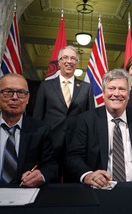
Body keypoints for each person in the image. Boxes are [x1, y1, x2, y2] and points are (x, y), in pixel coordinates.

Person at [65, 69, 132, 188]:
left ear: (128, 95)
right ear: (103, 92)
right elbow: (74, 156)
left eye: (122, 89)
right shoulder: (86, 120)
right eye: (111, 88)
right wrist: (88, 175)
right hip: (101, 187)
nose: (116, 93)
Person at [33, 45, 94, 179]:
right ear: (59, 62)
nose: (69, 61)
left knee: (74, 182)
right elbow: (38, 116)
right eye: (65, 57)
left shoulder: (86, 88)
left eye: (73, 58)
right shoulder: (46, 86)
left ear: (77, 63)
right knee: (49, 180)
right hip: (50, 142)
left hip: (77, 143)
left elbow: (91, 117)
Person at [0, 74, 58, 187]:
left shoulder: (41, 129)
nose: (15, 97)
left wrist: (42, 175)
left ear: (28, 98)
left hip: (25, 193)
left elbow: (51, 166)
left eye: (21, 93)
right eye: (8, 92)